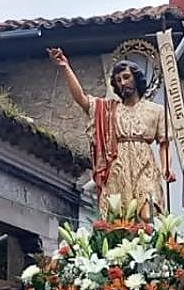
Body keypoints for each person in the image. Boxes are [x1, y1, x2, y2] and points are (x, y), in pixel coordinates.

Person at [47, 48, 173, 220]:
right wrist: (65, 67)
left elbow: (164, 143)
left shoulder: (156, 111)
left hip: (145, 165)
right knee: (117, 216)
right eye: (118, 80)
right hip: (117, 164)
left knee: (147, 213)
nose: (123, 82)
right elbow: (82, 99)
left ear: (136, 78)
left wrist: (166, 167)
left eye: (126, 77)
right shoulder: (108, 109)